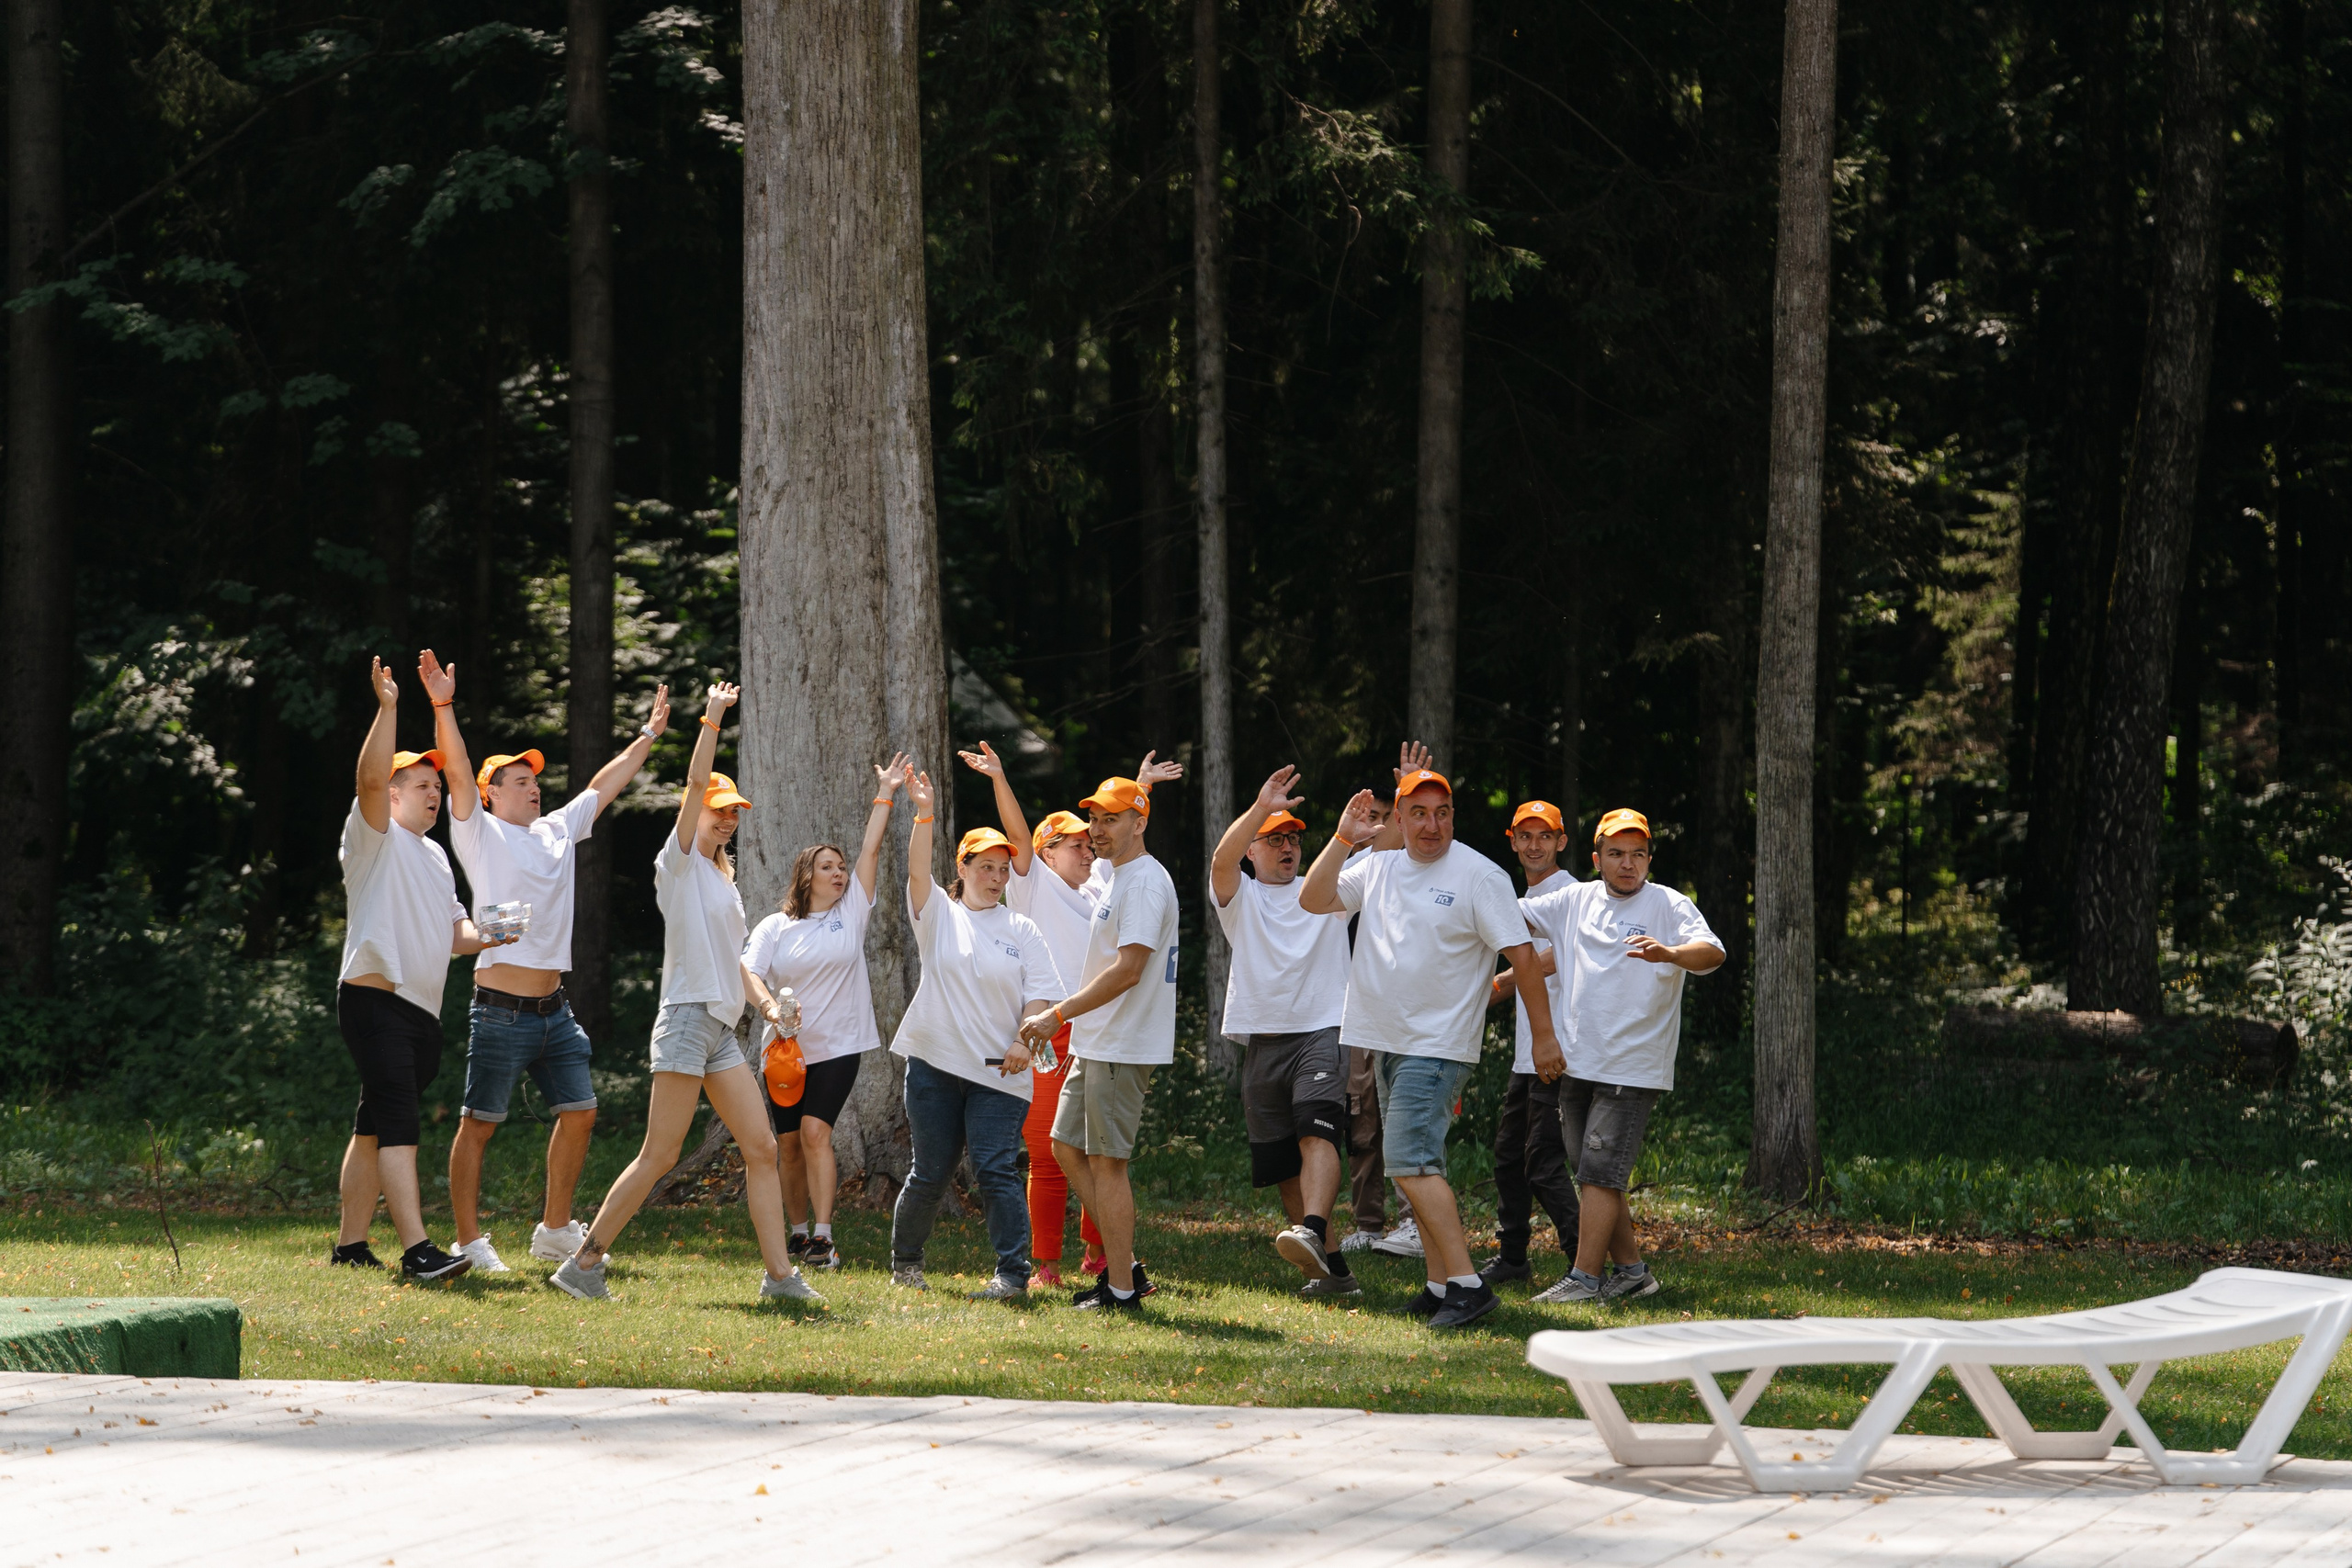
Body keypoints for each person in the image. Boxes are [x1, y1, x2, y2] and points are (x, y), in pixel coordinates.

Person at [548, 683, 820, 1303]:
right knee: (659, 1153)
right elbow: (696, 783)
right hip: (685, 1020)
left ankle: (780, 1277)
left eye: (733, 812)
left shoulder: (725, 883)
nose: (725, 817)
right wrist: (712, 719)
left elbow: (738, 964)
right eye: (717, 809)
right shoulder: (677, 863)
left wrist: (771, 1007)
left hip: (720, 1026)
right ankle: (584, 1264)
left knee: (759, 1146)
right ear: (695, 813)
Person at [422, 649, 670, 1273]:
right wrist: (443, 705)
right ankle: (468, 1241)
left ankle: (556, 1229)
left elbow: (603, 786)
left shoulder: (557, 830)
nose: (534, 786)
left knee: (581, 1112)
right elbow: (453, 768)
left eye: (535, 780)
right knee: (479, 1124)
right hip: (500, 1009)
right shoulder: (478, 830)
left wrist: (647, 737)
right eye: (520, 780)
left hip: (555, 1008)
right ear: (490, 793)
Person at [1299, 754, 1558, 1330]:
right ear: (1401, 817)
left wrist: (1544, 1038)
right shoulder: (1379, 864)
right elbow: (1314, 899)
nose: (1432, 826)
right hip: (1384, 1041)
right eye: (1418, 813)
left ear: (1453, 817)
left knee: (1412, 1163)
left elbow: (1522, 958)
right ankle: (1441, 1284)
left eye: (1442, 814)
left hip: (1437, 1045)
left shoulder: (1479, 876)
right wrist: (1343, 838)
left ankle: (1468, 1288)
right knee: (1414, 1164)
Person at [959, 744, 1181, 1286]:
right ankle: (1051, 1264)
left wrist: (1140, 788)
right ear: (1044, 853)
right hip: (1053, 1033)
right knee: (1052, 1152)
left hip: (1088, 1028)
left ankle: (1111, 1264)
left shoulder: (1107, 885)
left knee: (1097, 1157)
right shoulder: (1035, 884)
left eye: (1093, 837)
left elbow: (1125, 832)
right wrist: (1000, 777)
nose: (1089, 846)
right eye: (1076, 842)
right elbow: (1029, 835)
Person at [332, 657, 511, 1280]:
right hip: (375, 1000)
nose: (435, 794)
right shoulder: (373, 833)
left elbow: (454, 933)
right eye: (422, 785)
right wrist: (388, 707)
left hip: (418, 1012)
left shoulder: (435, 855)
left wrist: (492, 933)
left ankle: (351, 1244)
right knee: (400, 1124)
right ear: (395, 792)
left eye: (439, 788)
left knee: (374, 1123)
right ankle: (417, 1251)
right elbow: (368, 779)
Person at [1521, 808, 1723, 1303]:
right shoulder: (1573, 899)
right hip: (1576, 1063)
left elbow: (1713, 953)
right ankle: (1632, 1272)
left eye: (1637, 854)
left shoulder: (1669, 904)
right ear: (1596, 858)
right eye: (1616, 853)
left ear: (1650, 859)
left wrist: (1672, 954)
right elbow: (1504, 915)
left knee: (1597, 1172)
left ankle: (1585, 1278)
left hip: (1632, 1067)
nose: (1628, 863)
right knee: (1596, 1175)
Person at [888, 772, 1064, 1301]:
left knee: (996, 1169)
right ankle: (906, 1264)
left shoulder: (1022, 930)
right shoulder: (939, 914)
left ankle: (1012, 1277)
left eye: (1003, 868)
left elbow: (1041, 996)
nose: (995, 876)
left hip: (1000, 1071)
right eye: (984, 866)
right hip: (935, 1066)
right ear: (961, 869)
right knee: (931, 1171)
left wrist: (1022, 1041)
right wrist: (924, 812)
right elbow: (918, 870)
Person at [740, 751, 912, 1272]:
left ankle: (823, 1237)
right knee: (786, 1144)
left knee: (816, 1133)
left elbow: (871, 847)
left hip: (838, 1046)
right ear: (806, 875)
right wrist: (769, 1008)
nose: (839, 874)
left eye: (841, 868)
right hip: (786, 1051)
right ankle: (795, 1235)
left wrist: (886, 793)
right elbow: (747, 972)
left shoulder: (851, 914)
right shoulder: (776, 926)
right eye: (828, 867)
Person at [1019, 773, 1181, 1311]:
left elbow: (1130, 969)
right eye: (1094, 819)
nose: (1097, 830)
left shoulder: (1145, 883)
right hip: (1097, 1040)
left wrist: (1057, 1015)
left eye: (1110, 819)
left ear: (1139, 824)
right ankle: (1123, 1262)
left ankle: (1120, 1288)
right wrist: (1142, 783)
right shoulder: (1116, 875)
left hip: (1122, 1044)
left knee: (1108, 1163)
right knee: (1066, 1146)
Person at [1209, 765, 1358, 1297]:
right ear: (1254, 849)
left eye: (1293, 837)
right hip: (1263, 1038)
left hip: (1323, 1028)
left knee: (1317, 1130)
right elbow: (1221, 860)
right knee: (1281, 1161)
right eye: (1274, 840)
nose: (1287, 847)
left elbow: (1386, 847)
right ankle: (1333, 1270)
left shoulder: (1329, 890)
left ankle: (1314, 1230)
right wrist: (1259, 806)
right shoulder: (1241, 896)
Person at [1479, 800, 1579, 1287]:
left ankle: (1587, 1263)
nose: (1535, 845)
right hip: (1526, 1055)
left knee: (1542, 1161)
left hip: (1559, 1051)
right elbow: (1523, 965)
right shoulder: (1524, 897)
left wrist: (1500, 981)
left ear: (1561, 842)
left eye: (1545, 836)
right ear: (1513, 841)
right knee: (1508, 1157)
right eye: (1526, 836)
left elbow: (1563, 955)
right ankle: (1514, 1257)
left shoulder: (1574, 894)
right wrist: (1488, 992)